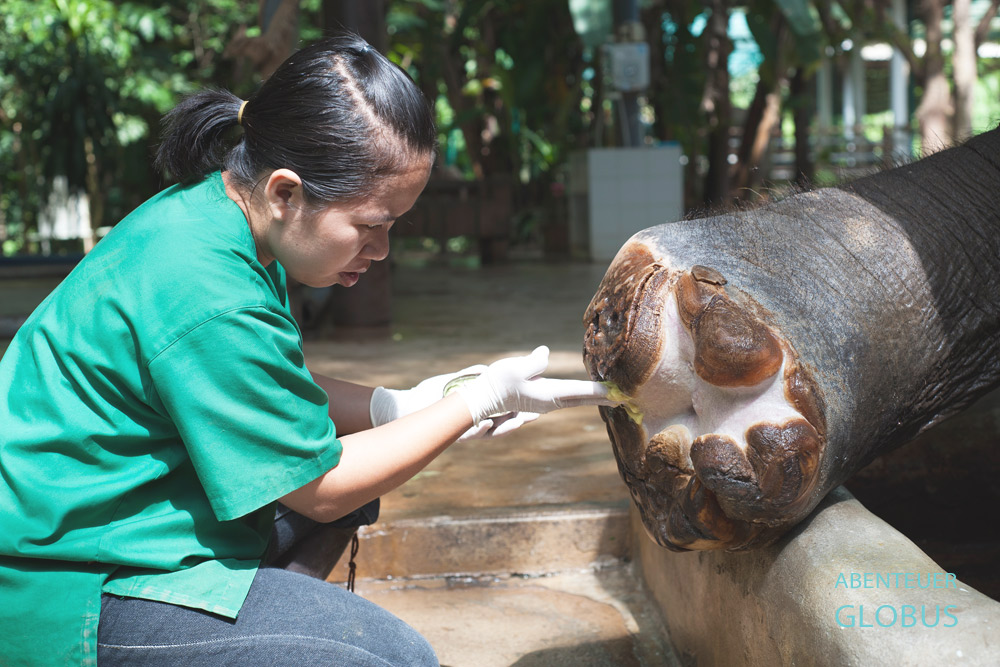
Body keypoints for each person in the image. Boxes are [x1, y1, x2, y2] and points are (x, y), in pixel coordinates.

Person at [0, 35, 612, 666]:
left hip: (118, 513)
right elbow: (323, 487)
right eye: (371, 225)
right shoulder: (207, 288)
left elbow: (261, 389)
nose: (381, 250)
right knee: (390, 657)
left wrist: (395, 406)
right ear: (287, 193)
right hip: (65, 574)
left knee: (368, 480)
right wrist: (475, 402)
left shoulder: (221, 215)